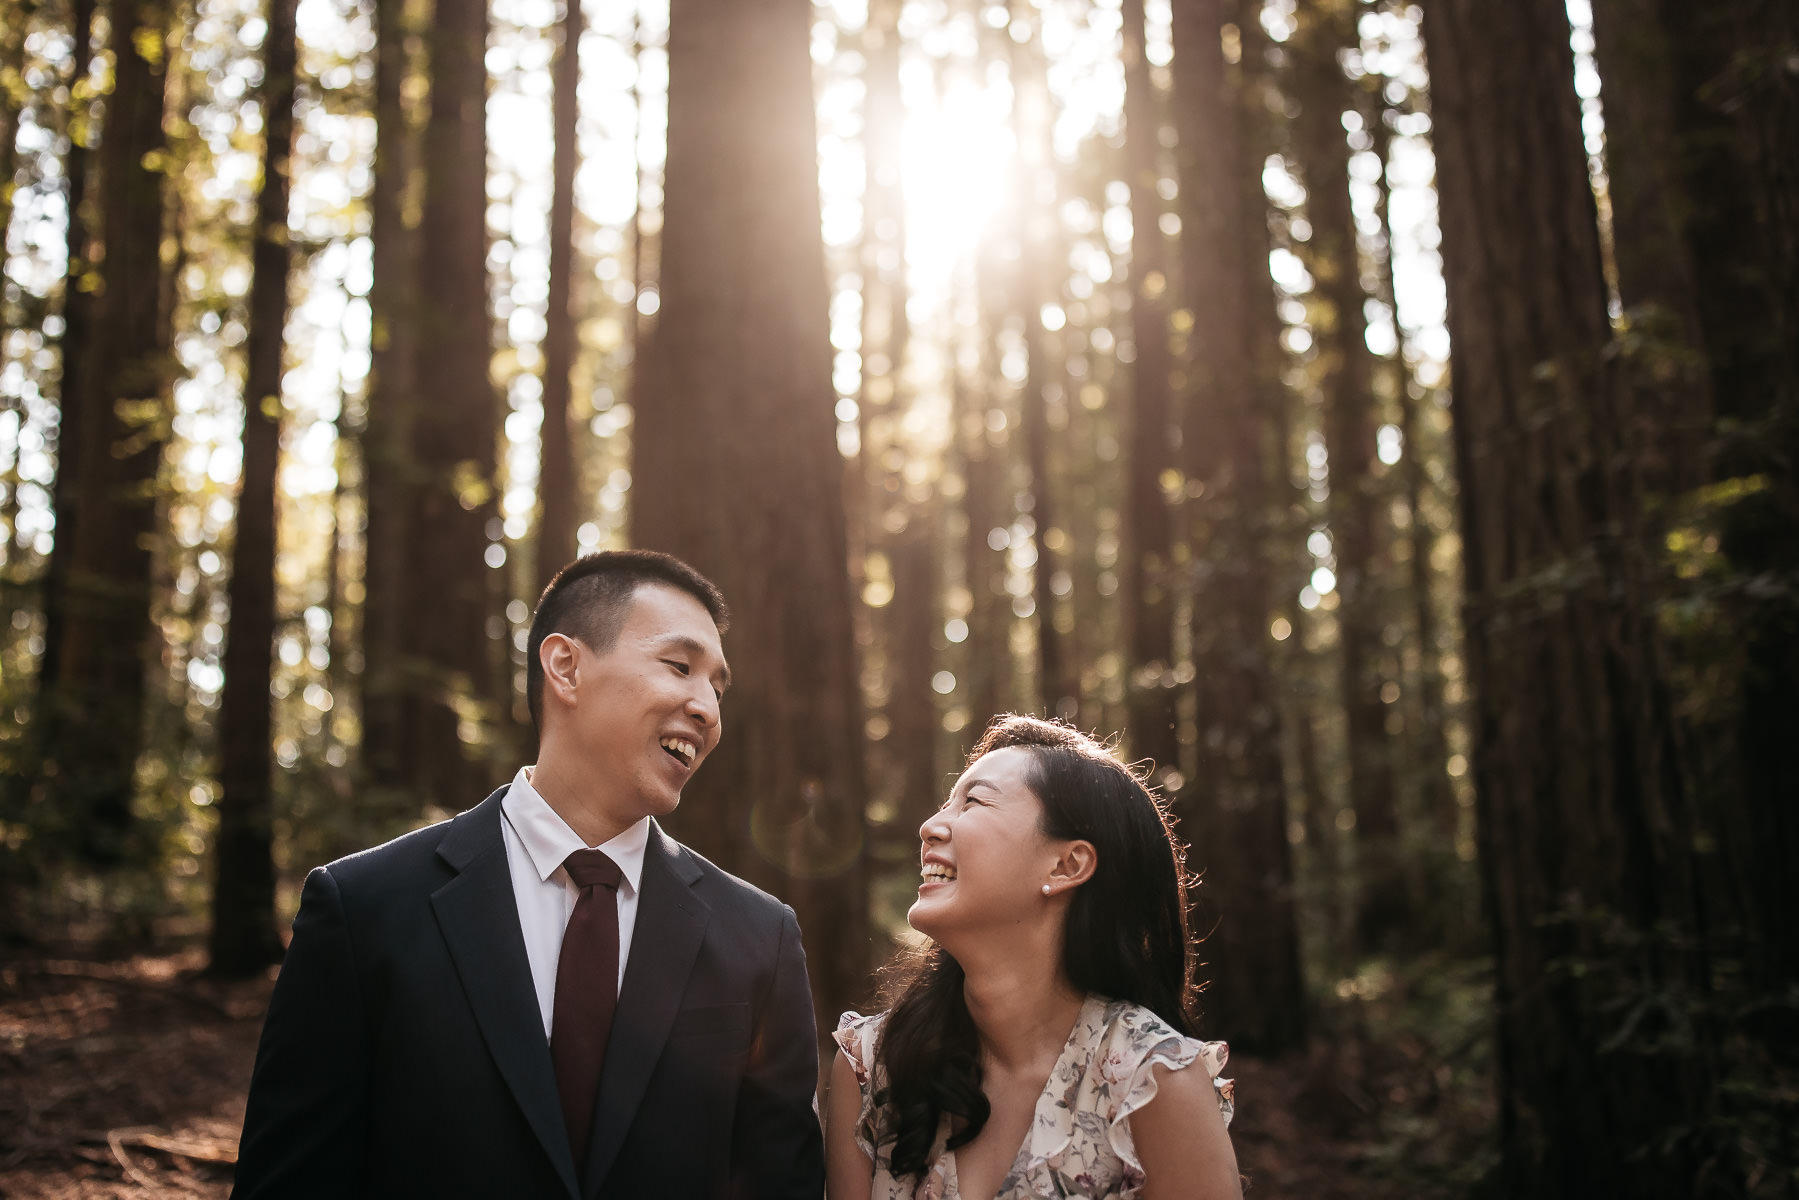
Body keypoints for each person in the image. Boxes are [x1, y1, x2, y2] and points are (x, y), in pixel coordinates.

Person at [233, 550, 825, 1200]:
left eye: (717, 685)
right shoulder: (362, 909)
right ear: (566, 667)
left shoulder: (760, 937)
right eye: (680, 667)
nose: (707, 707)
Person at [825, 715, 1240, 1200]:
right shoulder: (872, 1064)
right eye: (945, 803)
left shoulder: (1154, 1082)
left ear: (1066, 865)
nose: (929, 826)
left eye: (973, 801)